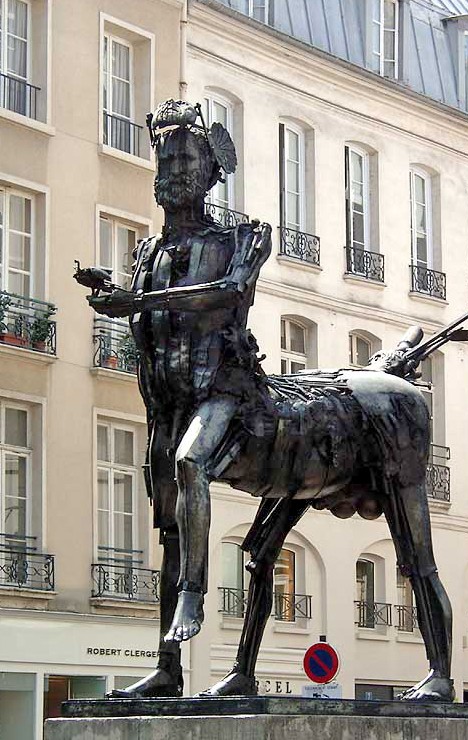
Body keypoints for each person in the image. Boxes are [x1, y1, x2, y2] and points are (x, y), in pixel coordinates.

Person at [85, 99, 271, 698]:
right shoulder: (148, 254)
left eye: (184, 160)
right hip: (166, 405)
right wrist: (113, 292)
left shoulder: (243, 237)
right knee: (168, 526)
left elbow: (226, 294)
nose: (171, 172)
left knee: (192, 464)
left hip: (226, 395)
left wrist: (137, 302)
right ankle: (168, 667)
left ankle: (194, 590)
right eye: (165, 161)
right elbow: (149, 318)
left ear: (212, 171)